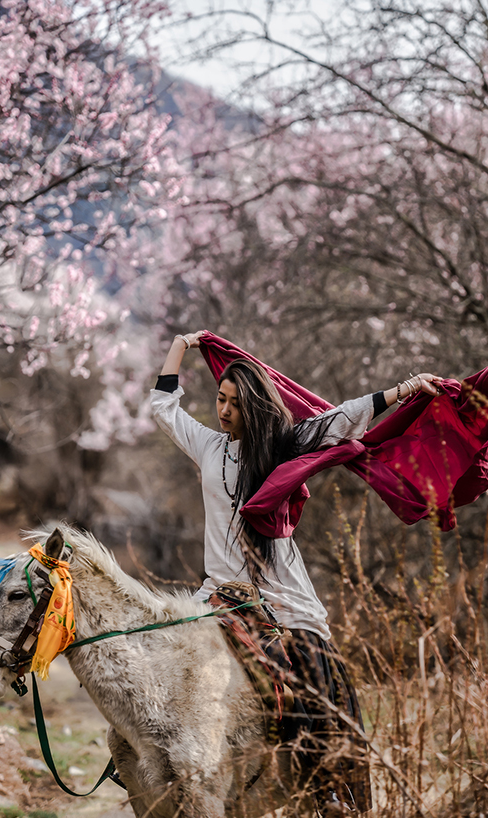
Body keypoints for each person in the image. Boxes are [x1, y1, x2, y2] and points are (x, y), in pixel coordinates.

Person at [151, 330, 442, 815]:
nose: (222, 412)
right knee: (164, 650)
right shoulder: (207, 446)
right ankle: (149, 756)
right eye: (219, 400)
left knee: (311, 683)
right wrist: (182, 345)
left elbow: (342, 419)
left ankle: (327, 788)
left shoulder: (285, 446)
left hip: (281, 595)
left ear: (255, 408)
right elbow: (163, 410)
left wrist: (407, 388)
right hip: (218, 592)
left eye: (234, 404)